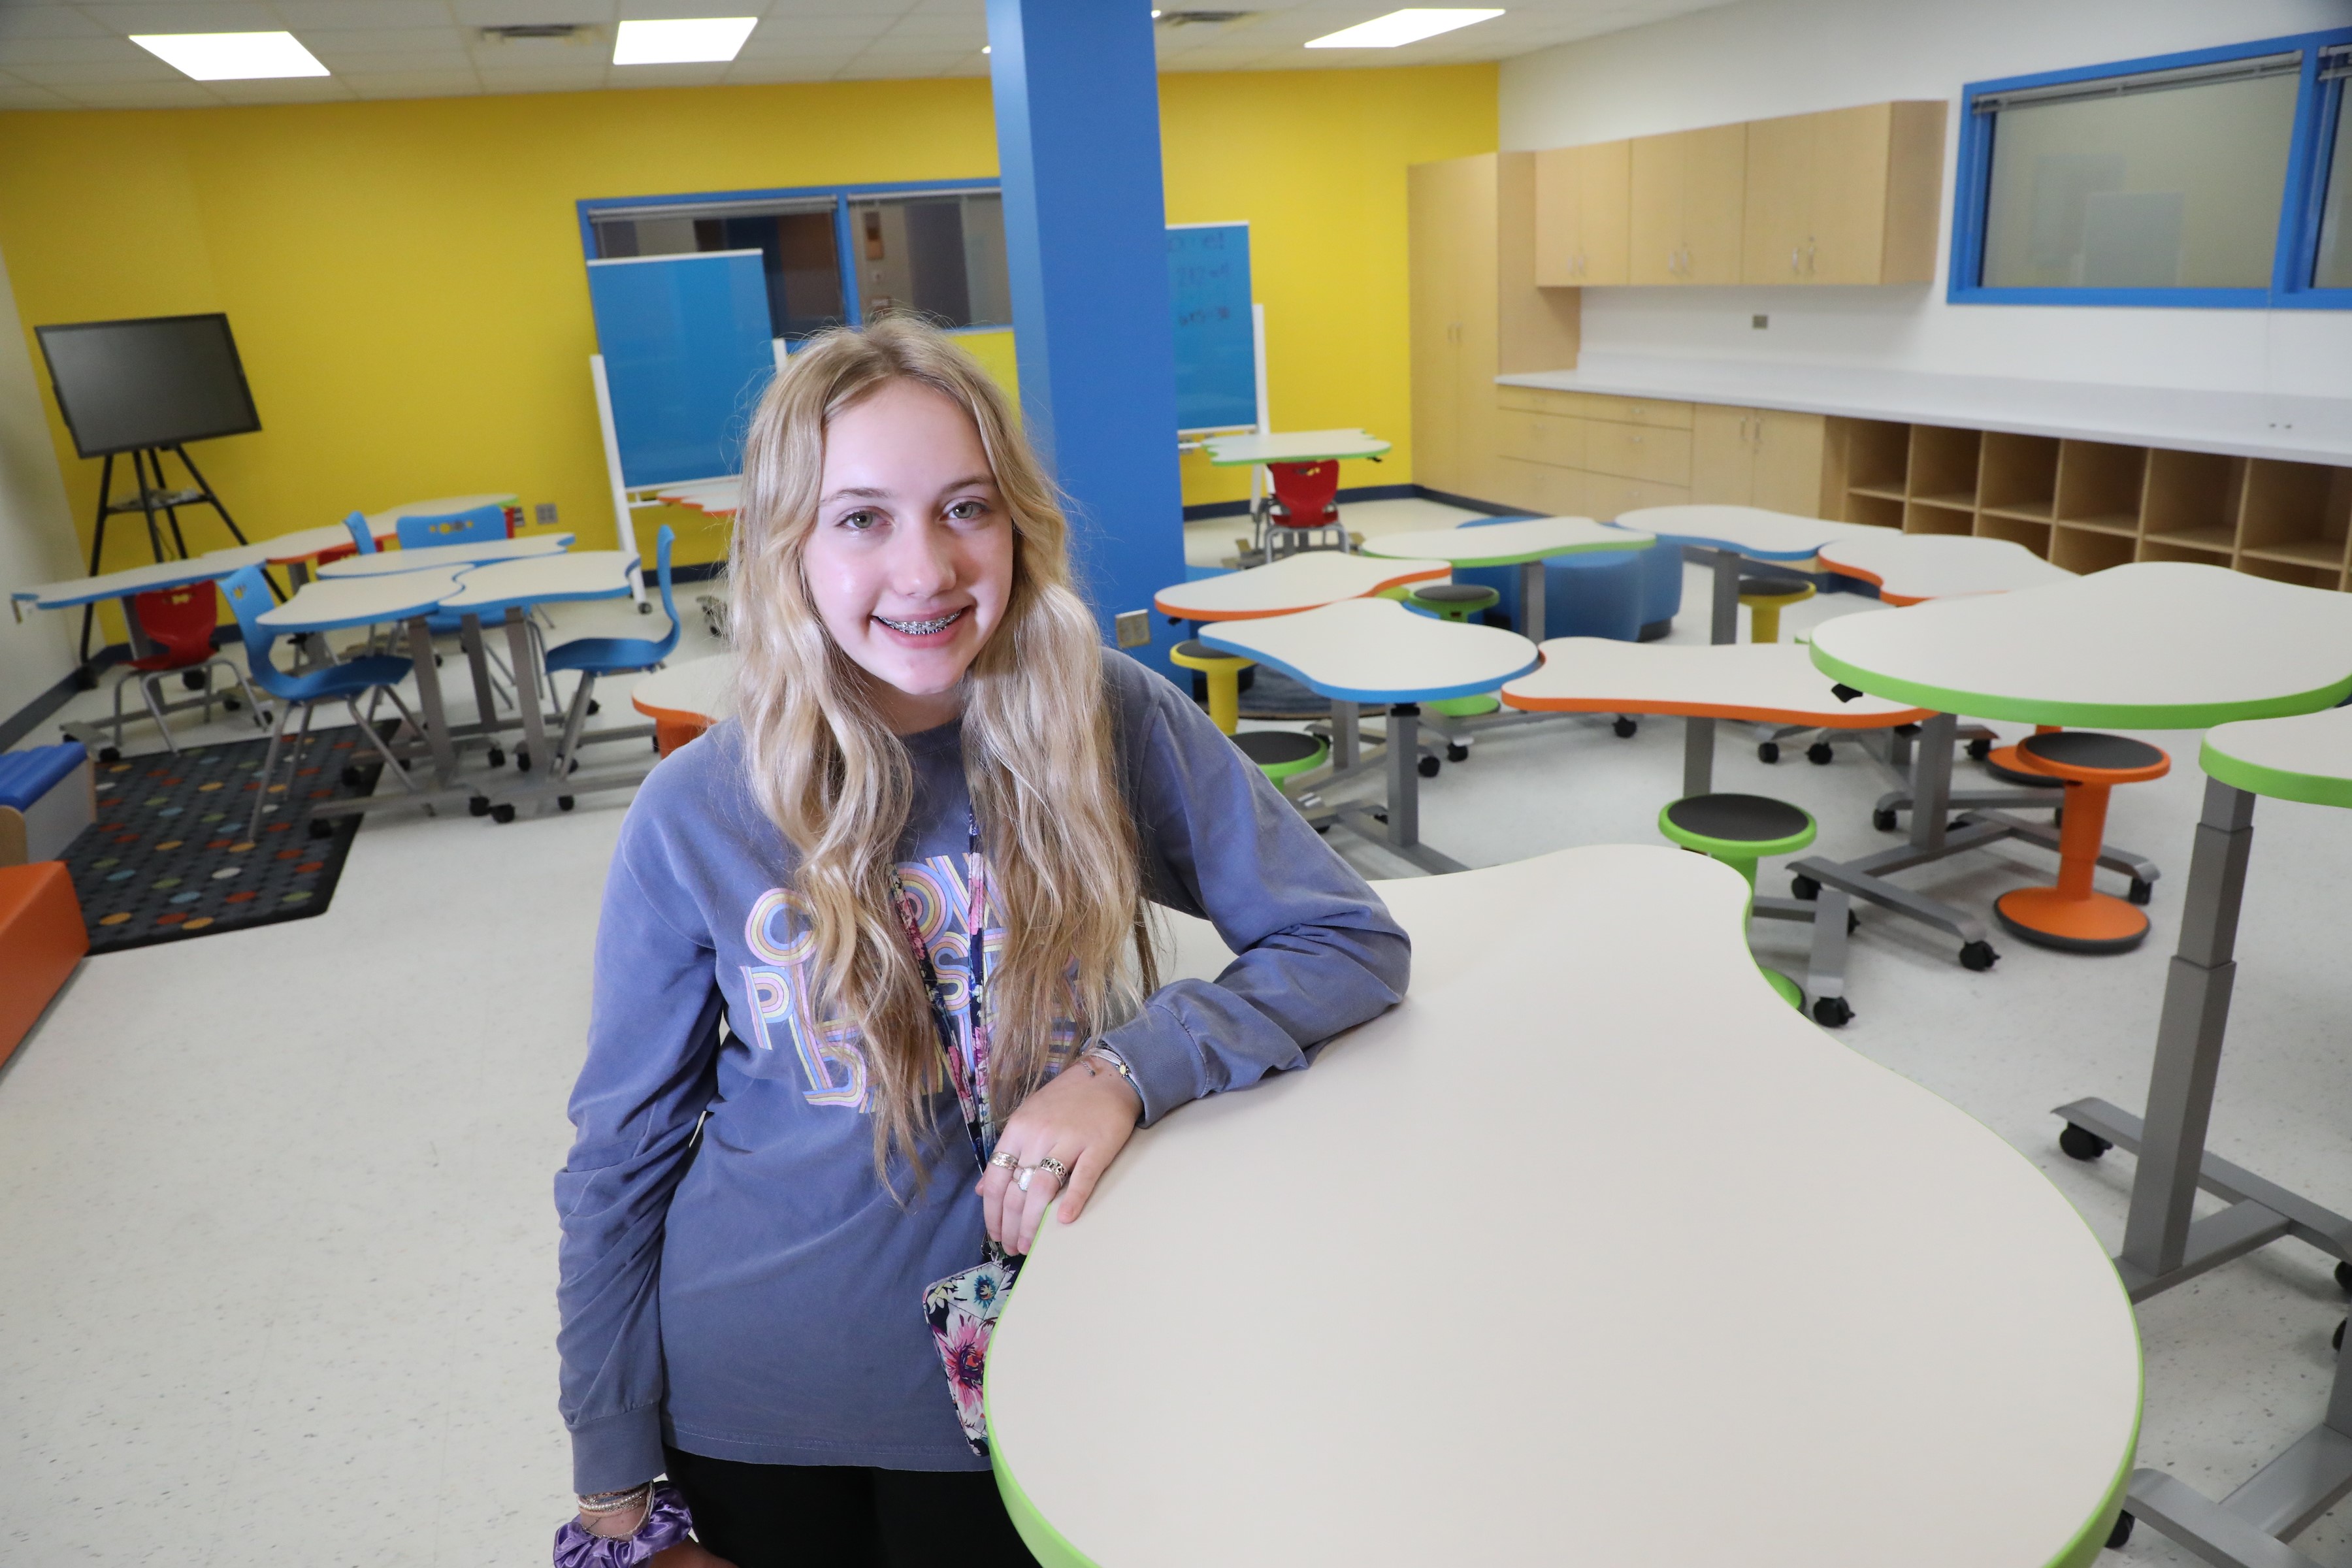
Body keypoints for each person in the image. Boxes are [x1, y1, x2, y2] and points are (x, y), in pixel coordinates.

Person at [553, 315, 1410, 1568]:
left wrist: (1125, 1069)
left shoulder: (1106, 719)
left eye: (965, 508)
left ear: (1017, 522)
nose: (927, 569)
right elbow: (618, 1152)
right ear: (789, 545)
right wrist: (613, 1477)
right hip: (764, 1390)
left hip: (1048, 1360)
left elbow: (1344, 938)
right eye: (861, 518)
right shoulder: (698, 807)